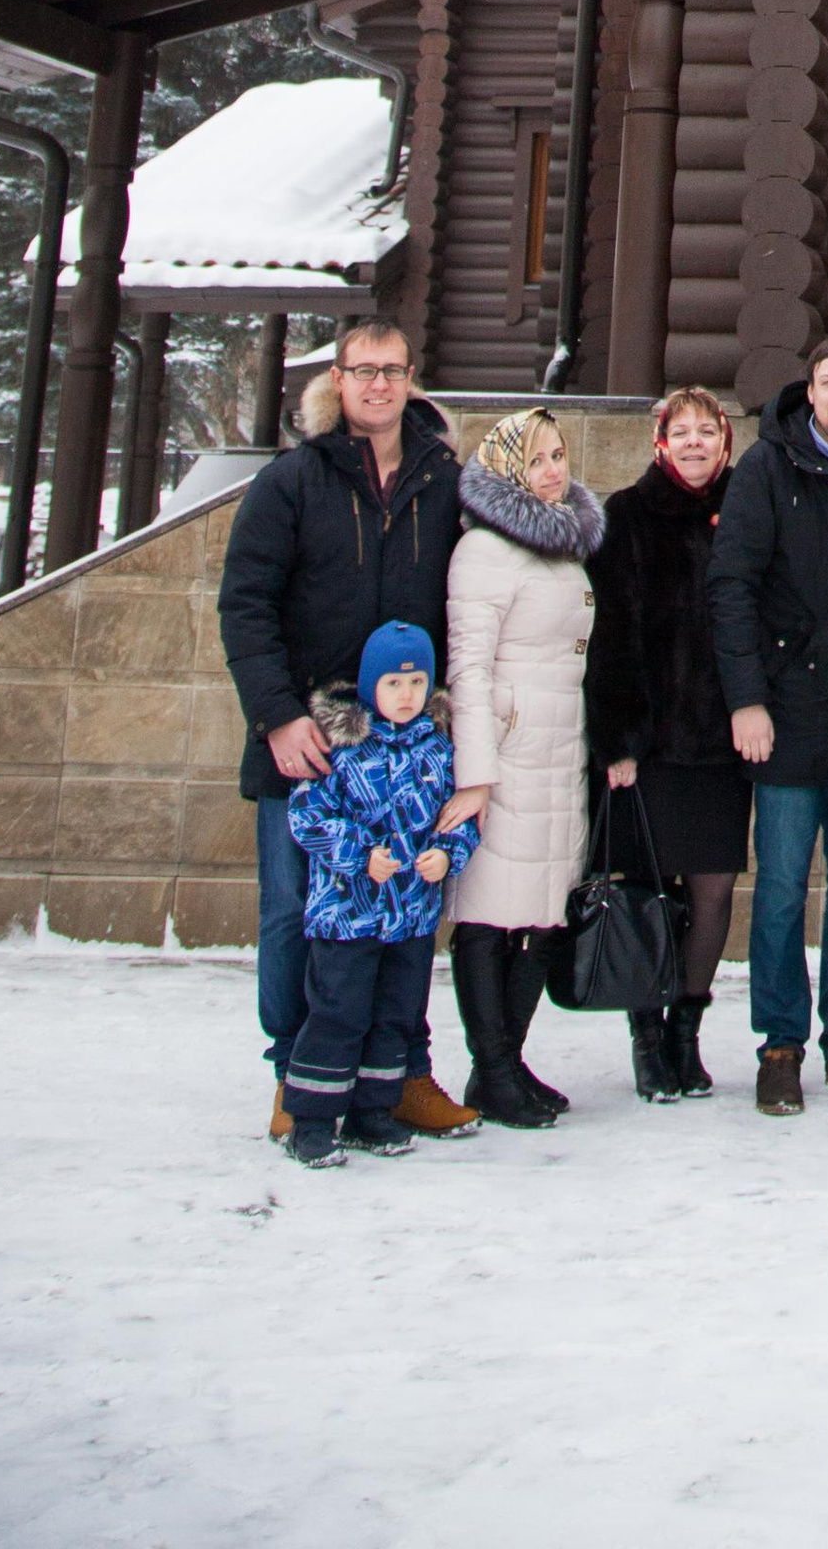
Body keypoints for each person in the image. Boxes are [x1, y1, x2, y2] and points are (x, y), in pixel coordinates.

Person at [216, 316, 476, 1142]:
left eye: (393, 371)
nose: (378, 386)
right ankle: (297, 1077)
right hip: (314, 739)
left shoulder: (444, 479)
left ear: (410, 379)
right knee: (296, 907)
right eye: (363, 371)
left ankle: (399, 1074)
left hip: (406, 746)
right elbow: (245, 604)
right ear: (338, 379)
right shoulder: (294, 480)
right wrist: (279, 718)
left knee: (404, 908)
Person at [708, 334, 828, 1118]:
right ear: (810, 391)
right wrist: (746, 699)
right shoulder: (768, 465)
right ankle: (780, 1044)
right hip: (786, 717)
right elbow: (732, 586)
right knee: (783, 890)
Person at [586, 383, 750, 1105]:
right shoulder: (626, 514)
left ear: (724, 442)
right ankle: (648, 1040)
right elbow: (611, 633)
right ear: (661, 443)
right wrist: (617, 738)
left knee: (713, 887)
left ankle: (687, 1031)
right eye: (680, 433)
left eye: (705, 433)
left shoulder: (746, 510)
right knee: (648, 892)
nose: (693, 444)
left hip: (721, 741)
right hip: (648, 747)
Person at [444, 405, 605, 1130]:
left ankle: (505, 1064)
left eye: (559, 455)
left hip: (557, 750)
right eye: (537, 458)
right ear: (508, 466)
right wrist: (475, 774)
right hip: (506, 756)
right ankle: (494, 1067)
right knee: (487, 915)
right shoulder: (484, 550)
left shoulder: (565, 546)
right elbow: (469, 670)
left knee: (541, 913)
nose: (552, 470)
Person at [281, 623, 478, 1167]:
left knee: (395, 1015)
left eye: (416, 682)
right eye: (394, 682)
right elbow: (308, 816)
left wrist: (448, 852)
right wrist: (360, 855)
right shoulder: (342, 747)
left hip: (410, 917)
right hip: (348, 916)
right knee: (338, 1013)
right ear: (372, 687)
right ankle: (314, 1119)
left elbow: (458, 818)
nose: (407, 694)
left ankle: (374, 1112)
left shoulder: (438, 748)